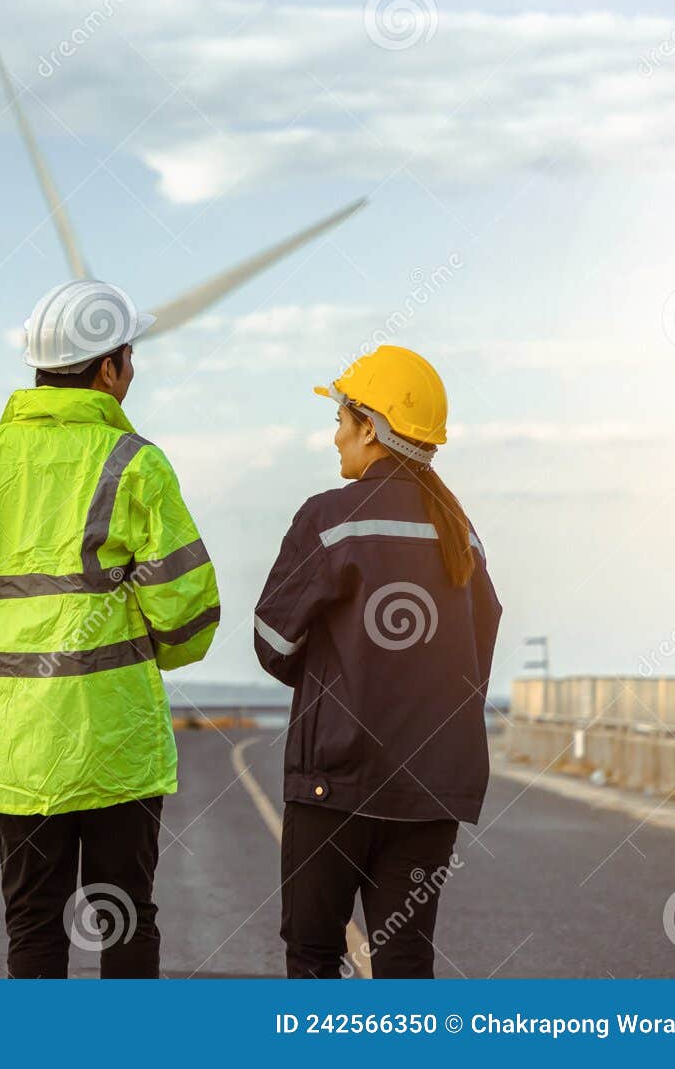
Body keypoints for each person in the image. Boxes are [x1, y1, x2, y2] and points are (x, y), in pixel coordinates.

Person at [0, 279, 221, 979]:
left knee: (33, 924)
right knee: (123, 917)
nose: (132, 372)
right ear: (109, 368)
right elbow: (187, 612)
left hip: (17, 744)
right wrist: (150, 641)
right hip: (115, 743)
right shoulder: (134, 461)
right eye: (131, 357)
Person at [253, 345, 501, 979]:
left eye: (341, 420)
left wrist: (333, 673)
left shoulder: (330, 519)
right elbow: (478, 649)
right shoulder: (459, 530)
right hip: (433, 790)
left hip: (333, 784)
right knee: (406, 960)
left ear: (371, 426)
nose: (336, 437)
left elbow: (273, 644)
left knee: (313, 955)